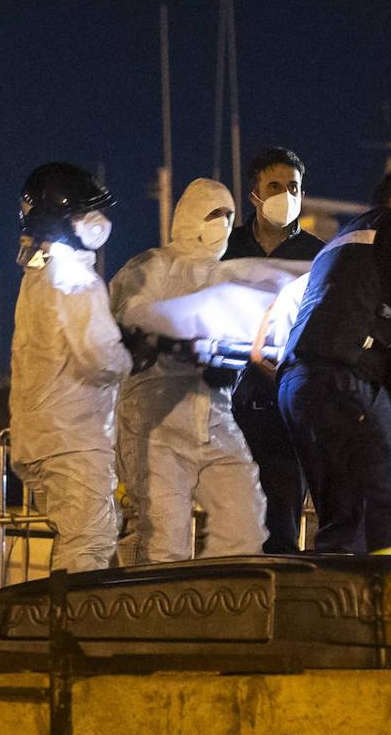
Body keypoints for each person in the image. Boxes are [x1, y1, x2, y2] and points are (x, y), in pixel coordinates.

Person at [277, 170, 391, 555]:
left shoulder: (341, 243)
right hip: (344, 381)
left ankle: (332, 608)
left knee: (347, 518)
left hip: (298, 388)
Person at [111, 178, 267, 563]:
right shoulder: (153, 267)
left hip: (213, 417)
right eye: (215, 214)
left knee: (245, 517)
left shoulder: (227, 278)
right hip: (156, 421)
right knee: (164, 540)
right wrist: (172, 341)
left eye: (230, 216)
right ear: (190, 216)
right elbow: (130, 320)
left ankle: (225, 607)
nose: (223, 224)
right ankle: (156, 617)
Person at [8, 162, 133, 573]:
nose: (98, 223)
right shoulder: (77, 279)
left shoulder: (38, 275)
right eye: (85, 213)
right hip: (73, 440)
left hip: (38, 440)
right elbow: (100, 359)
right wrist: (135, 351)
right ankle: (71, 631)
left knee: (76, 538)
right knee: (87, 543)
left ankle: (59, 628)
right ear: (62, 218)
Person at [223, 147, 324, 553]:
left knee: (282, 517)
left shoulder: (318, 255)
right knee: (229, 515)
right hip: (226, 405)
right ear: (255, 195)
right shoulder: (226, 249)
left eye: (293, 187)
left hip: (285, 406)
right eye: (275, 186)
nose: (286, 194)